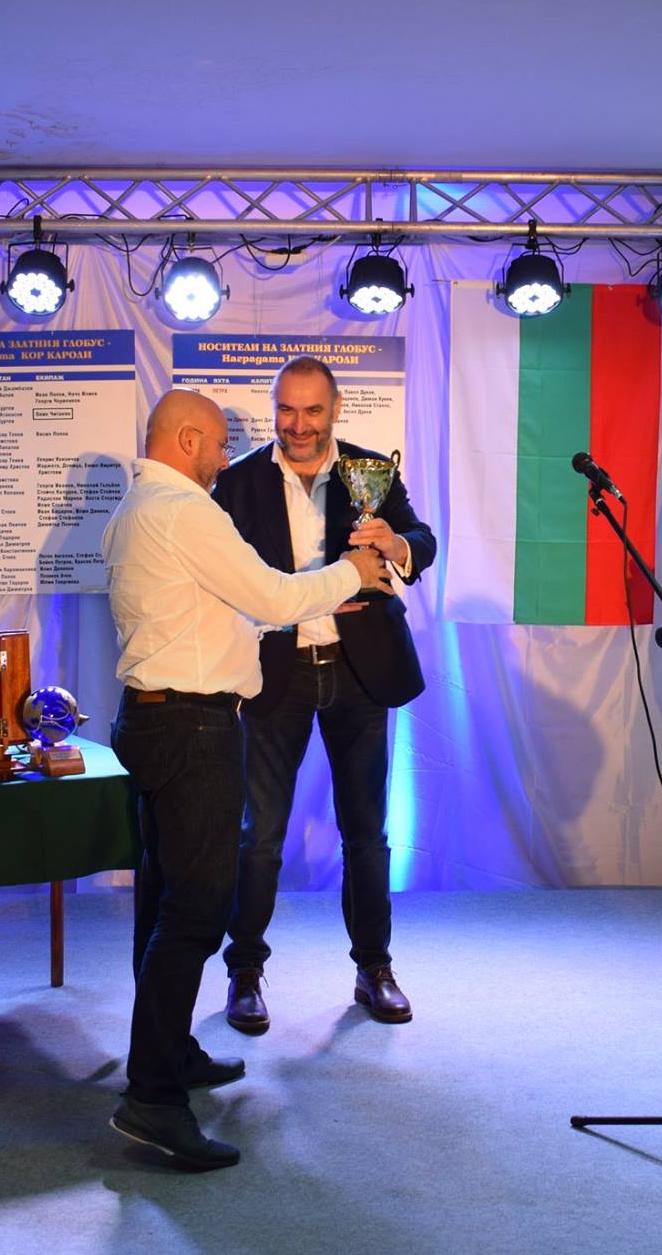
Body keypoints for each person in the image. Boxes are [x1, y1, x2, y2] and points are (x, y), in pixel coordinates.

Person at [103, 388, 393, 1172]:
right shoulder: (183, 509)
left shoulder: (137, 507)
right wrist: (352, 572)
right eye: (217, 442)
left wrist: (311, 596)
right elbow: (270, 594)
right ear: (186, 440)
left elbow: (231, 608)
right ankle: (152, 1097)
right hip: (192, 728)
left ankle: (169, 1053)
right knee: (197, 913)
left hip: (152, 720)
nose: (225, 455)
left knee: (164, 903)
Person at [212, 356, 435, 1032]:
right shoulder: (238, 481)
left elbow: (422, 541)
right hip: (274, 672)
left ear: (335, 409)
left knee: (366, 833)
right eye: (287, 409)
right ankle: (244, 974)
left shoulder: (370, 471)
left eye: (313, 410)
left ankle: (375, 969)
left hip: (358, 669)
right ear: (274, 409)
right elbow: (220, 579)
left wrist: (396, 543)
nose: (299, 424)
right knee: (258, 837)